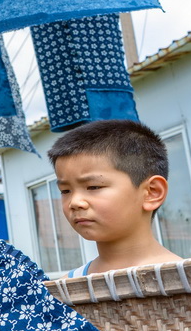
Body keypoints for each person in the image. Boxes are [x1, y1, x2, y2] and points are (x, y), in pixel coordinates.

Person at [48, 119, 179, 277]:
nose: (75, 202)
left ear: (152, 192)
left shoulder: (186, 278)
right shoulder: (63, 289)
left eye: (94, 187)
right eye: (65, 190)